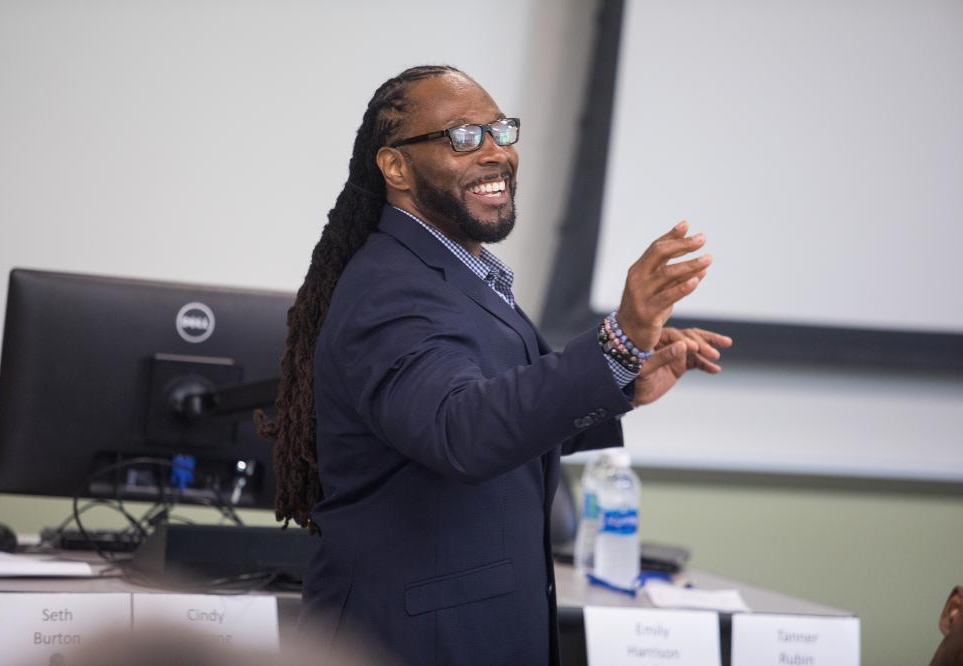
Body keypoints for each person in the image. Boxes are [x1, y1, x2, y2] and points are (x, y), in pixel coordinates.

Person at [260, 65, 731, 665]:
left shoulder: (458, 275)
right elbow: (462, 432)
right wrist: (615, 344)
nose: (495, 153)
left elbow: (498, 406)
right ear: (396, 167)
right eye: (463, 137)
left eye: (501, 131)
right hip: (408, 644)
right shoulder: (390, 289)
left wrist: (625, 381)